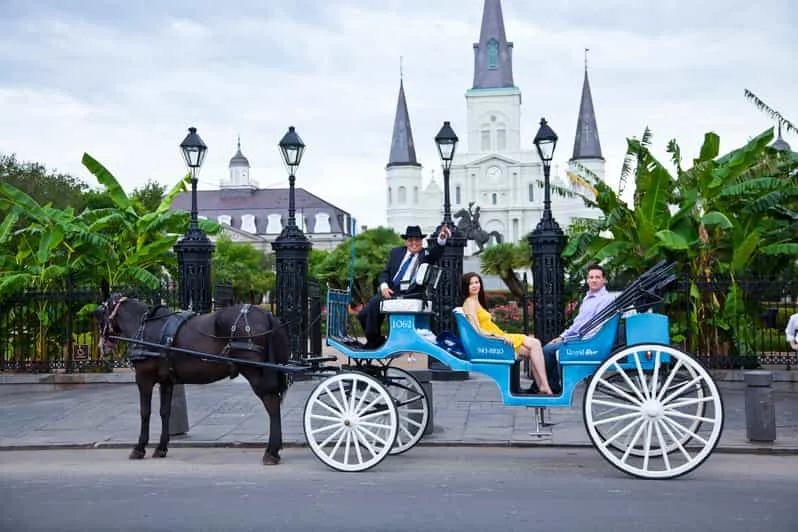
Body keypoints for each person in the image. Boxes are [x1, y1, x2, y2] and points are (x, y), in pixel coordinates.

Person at [357, 224, 451, 348]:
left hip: (409, 293)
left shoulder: (425, 255)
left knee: (375, 304)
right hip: (391, 290)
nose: (414, 243)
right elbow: (385, 273)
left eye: (417, 240)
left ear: (421, 242)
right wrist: (384, 286)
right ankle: (377, 340)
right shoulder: (396, 252)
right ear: (406, 242)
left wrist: (442, 238)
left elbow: (437, 252)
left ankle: (373, 343)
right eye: (411, 240)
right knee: (362, 314)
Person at [461, 272, 553, 395]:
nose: (475, 285)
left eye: (477, 282)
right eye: (471, 283)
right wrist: (498, 337)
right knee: (535, 343)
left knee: (534, 349)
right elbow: (476, 330)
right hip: (494, 340)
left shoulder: (476, 301)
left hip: (498, 336)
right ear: (465, 286)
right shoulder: (470, 303)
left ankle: (541, 386)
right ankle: (545, 385)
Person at [538, 263, 614, 394]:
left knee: (547, 350)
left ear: (604, 280)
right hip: (581, 337)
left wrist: (571, 340)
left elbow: (594, 327)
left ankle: (552, 386)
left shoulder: (605, 299)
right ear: (587, 280)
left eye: (597, 277)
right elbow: (578, 324)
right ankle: (550, 385)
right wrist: (562, 337)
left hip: (589, 341)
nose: (594, 280)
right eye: (591, 277)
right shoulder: (588, 298)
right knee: (550, 347)